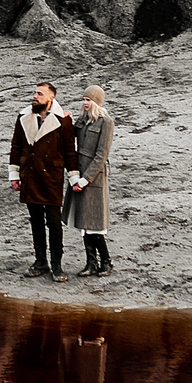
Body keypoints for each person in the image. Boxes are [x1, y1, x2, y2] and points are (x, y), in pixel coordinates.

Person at [7, 81, 84, 278]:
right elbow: (16, 147)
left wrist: (74, 176)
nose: (35, 96)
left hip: (52, 177)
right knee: (36, 221)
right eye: (35, 93)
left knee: (54, 222)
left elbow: (70, 152)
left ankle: (57, 265)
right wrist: (14, 174)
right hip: (30, 175)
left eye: (40, 94)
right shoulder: (23, 117)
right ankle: (41, 262)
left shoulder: (63, 121)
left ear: (51, 97)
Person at [70, 85, 116, 276]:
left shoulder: (106, 122)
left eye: (88, 100)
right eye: (83, 99)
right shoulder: (82, 120)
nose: (85, 103)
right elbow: (69, 136)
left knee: (95, 222)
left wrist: (85, 179)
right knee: (84, 222)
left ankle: (106, 262)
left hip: (94, 177)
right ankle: (91, 263)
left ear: (96, 102)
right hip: (79, 172)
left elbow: (101, 155)